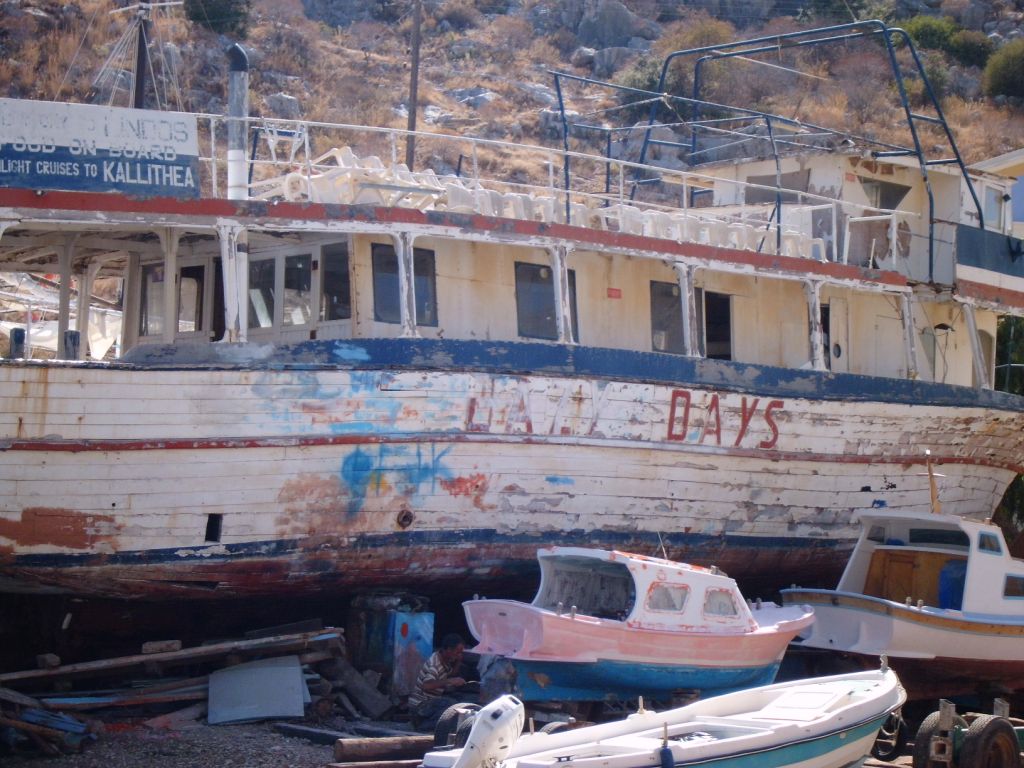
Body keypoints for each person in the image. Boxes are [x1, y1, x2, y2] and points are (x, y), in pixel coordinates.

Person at [409, 632, 474, 730]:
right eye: (457, 652)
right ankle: (423, 726)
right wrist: (450, 681)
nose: (459, 655)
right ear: (448, 650)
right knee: (451, 705)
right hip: (420, 705)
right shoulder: (434, 665)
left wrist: (458, 661)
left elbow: (451, 674)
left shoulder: (446, 660)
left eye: (461, 653)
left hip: (430, 702)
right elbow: (426, 686)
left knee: (459, 701)